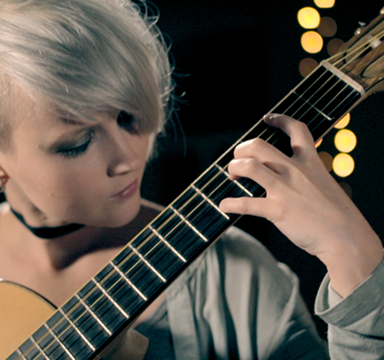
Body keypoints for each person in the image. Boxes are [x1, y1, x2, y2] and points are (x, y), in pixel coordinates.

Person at [0, 1, 382, 359]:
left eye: (127, 116)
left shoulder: (232, 274)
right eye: (78, 143)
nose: (128, 158)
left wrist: (353, 256)